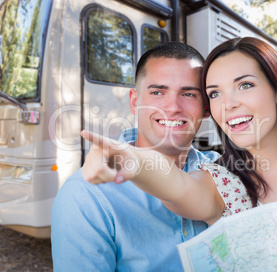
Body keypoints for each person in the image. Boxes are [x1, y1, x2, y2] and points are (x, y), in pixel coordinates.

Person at [52, 41, 277, 271]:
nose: (229, 103)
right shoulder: (224, 185)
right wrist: (128, 159)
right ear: (135, 101)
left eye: (245, 85)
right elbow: (177, 186)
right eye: (216, 93)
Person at [51, 42, 221, 271]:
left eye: (189, 93)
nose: (172, 107)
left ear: (206, 107)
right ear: (134, 101)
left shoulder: (222, 175)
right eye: (158, 92)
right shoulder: (85, 196)